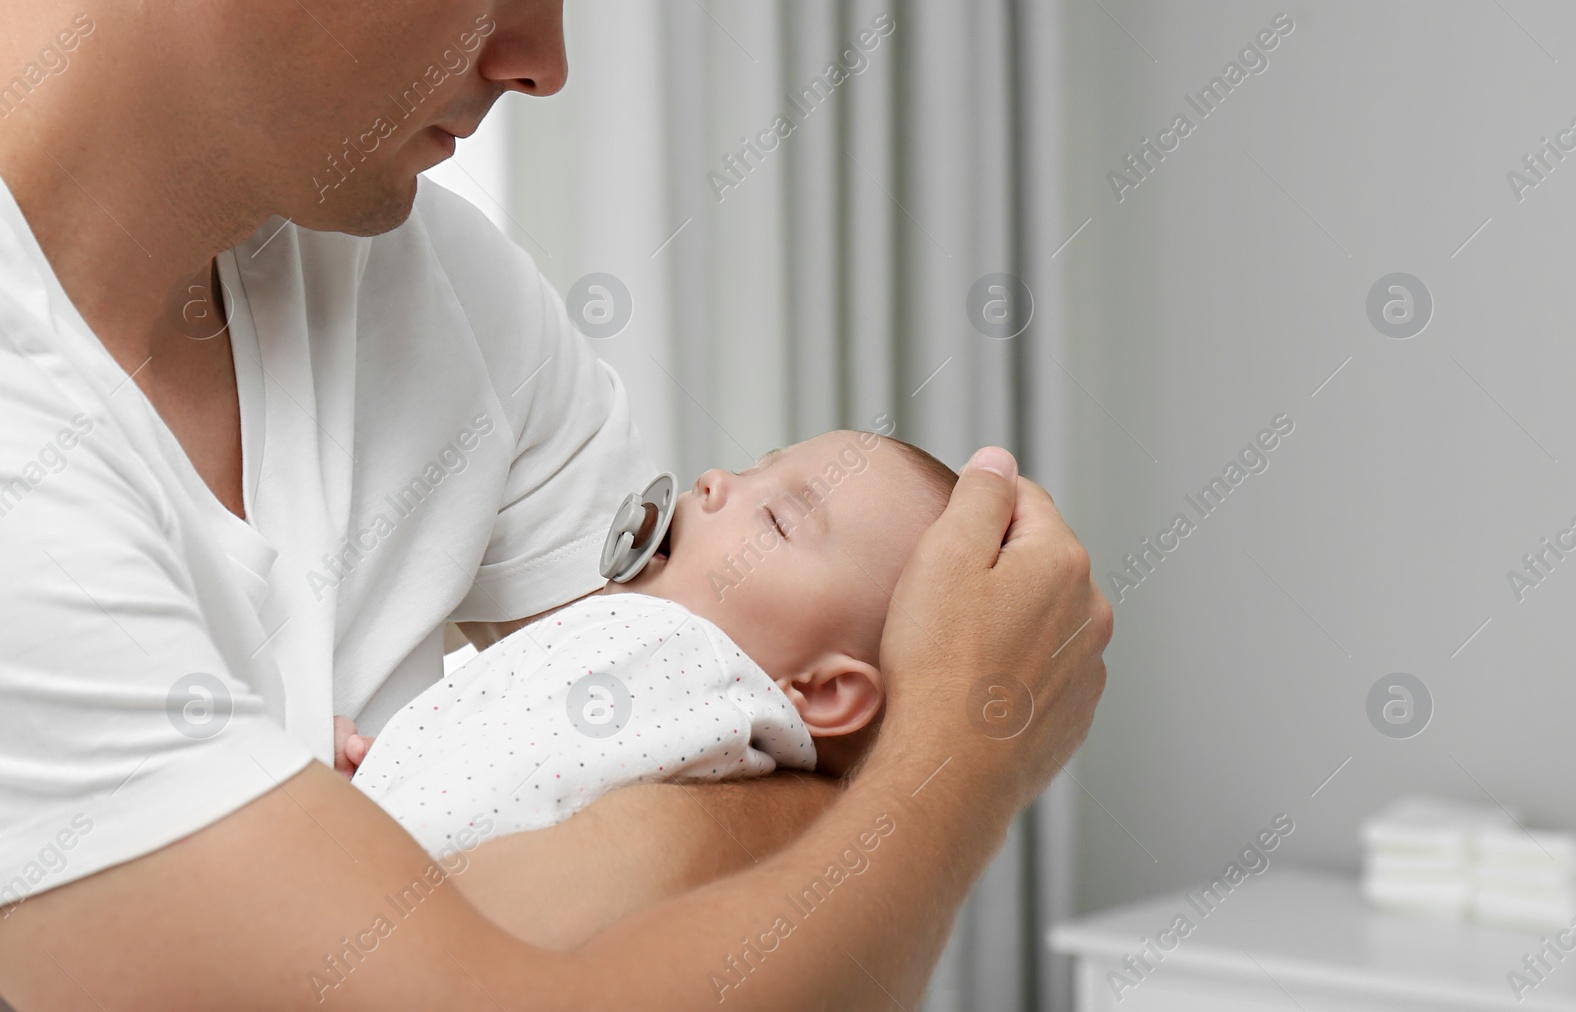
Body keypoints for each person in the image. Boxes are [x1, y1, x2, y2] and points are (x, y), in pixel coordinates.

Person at [0, 3, 1112, 1009]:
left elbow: (720, 713)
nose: (544, 63)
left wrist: (439, 909)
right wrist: (953, 760)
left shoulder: (432, 285)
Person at [347, 431, 951, 858]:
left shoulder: (676, 650)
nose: (713, 481)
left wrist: (334, 815)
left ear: (824, 691)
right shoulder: (706, 733)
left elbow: (450, 822)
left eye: (778, 521)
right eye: (749, 470)